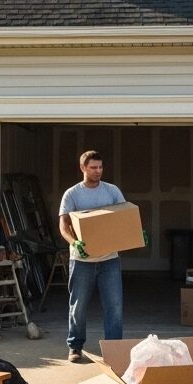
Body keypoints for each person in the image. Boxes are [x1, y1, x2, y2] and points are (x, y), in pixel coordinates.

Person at [58, 150, 126, 363]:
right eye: (93, 167)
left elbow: (125, 216)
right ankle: (75, 346)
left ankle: (114, 349)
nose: (98, 171)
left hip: (109, 260)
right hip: (82, 261)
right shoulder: (72, 194)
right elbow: (63, 225)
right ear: (83, 168)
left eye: (100, 167)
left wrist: (135, 231)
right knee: (78, 306)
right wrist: (74, 243)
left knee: (114, 306)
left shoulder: (112, 191)